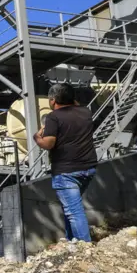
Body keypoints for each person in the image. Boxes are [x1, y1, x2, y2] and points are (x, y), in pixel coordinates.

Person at [33, 83, 98, 243]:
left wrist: (37, 138)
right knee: (69, 208)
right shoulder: (86, 112)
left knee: (73, 211)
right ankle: (71, 241)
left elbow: (48, 144)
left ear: (53, 100)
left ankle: (85, 247)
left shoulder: (53, 117)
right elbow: (74, 105)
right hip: (88, 168)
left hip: (66, 172)